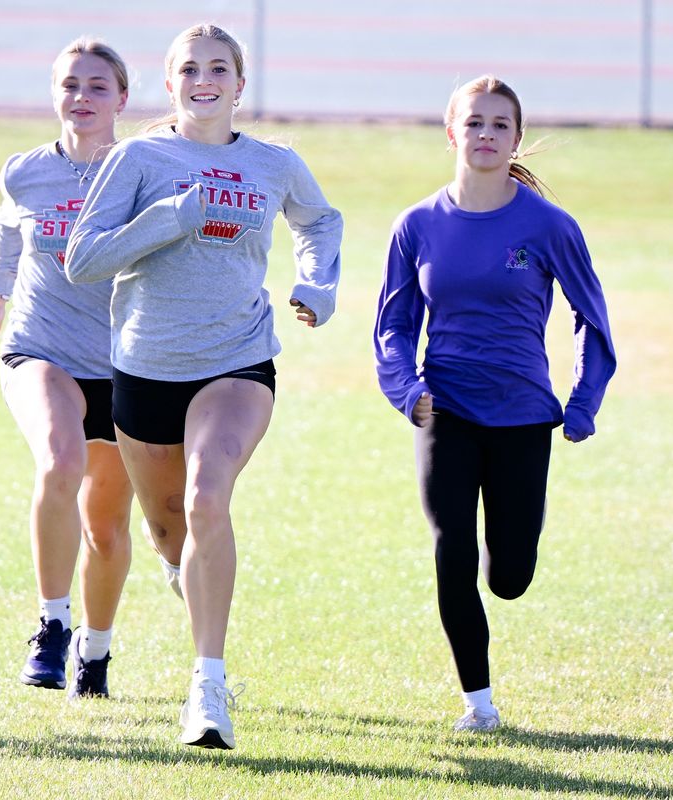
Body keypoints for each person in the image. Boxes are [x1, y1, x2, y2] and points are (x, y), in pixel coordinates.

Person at [65, 24, 342, 749]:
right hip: (147, 372)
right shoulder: (137, 160)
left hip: (238, 361)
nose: (204, 78)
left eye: (218, 67)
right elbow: (83, 259)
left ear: (240, 84)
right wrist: (167, 219)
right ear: (170, 84)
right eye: (189, 68)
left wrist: (318, 282)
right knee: (168, 531)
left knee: (207, 497)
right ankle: (180, 569)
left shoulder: (274, 163)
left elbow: (320, 219)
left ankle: (208, 689)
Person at [373, 75, 616, 732]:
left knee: (509, 575)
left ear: (515, 138)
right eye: (474, 123)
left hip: (523, 416)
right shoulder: (417, 225)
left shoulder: (547, 226)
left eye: (499, 125)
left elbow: (590, 320)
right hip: (443, 410)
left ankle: (503, 564)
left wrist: (583, 400)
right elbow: (393, 327)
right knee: (451, 549)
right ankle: (478, 704)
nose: (485, 135)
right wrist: (408, 390)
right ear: (452, 133)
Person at [0, 38, 135, 699]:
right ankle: (51, 628)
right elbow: (8, 228)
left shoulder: (144, 171)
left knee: (107, 523)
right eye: (70, 85)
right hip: (41, 347)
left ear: (122, 98)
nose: (83, 97)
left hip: (126, 368)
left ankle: (95, 655)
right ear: (54, 93)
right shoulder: (26, 170)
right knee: (59, 462)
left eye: (98, 86)